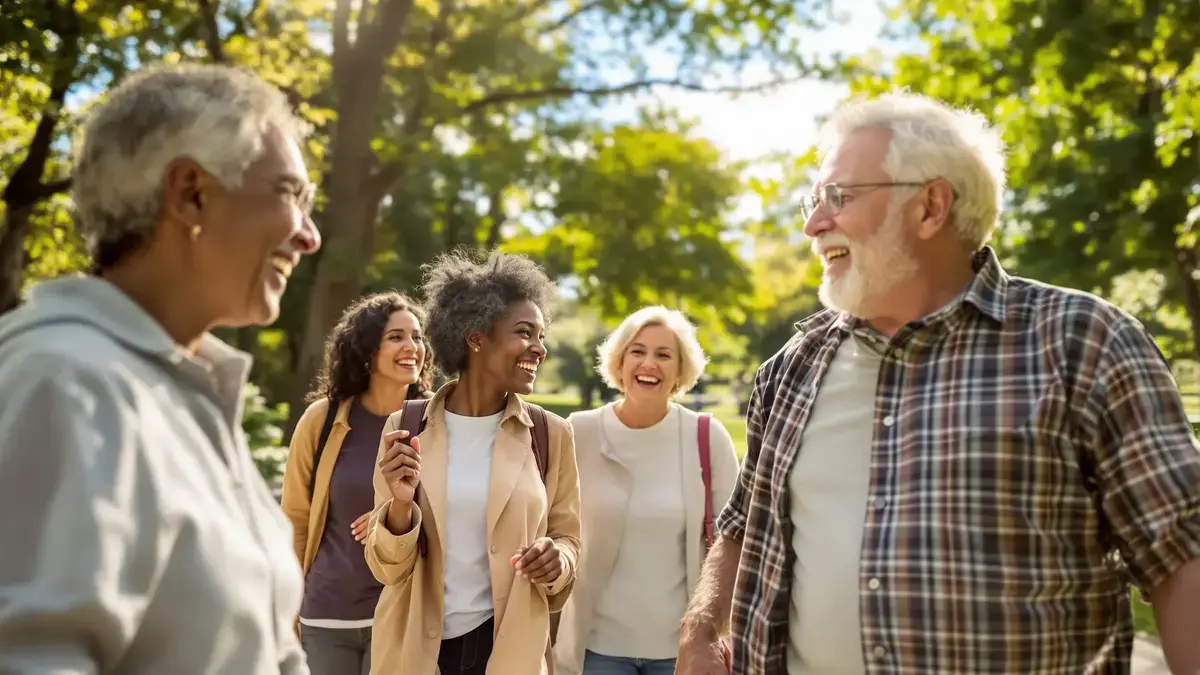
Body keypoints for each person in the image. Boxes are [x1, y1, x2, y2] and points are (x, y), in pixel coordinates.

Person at [676, 92, 1200, 674]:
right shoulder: (793, 366)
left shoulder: (1084, 344)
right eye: (814, 200)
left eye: (838, 198)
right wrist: (700, 630)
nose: (812, 224)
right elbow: (744, 523)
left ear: (930, 207)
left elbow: (1181, 556)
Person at [0, 64, 320, 673]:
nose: (309, 236)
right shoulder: (66, 382)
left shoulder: (188, 392)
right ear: (190, 192)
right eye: (289, 194)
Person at [364, 250, 582, 675]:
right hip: (416, 651)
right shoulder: (407, 424)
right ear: (476, 336)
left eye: (542, 335)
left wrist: (558, 558)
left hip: (508, 649)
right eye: (525, 333)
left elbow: (569, 538)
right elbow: (385, 567)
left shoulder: (549, 434)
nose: (540, 348)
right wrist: (401, 506)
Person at [555, 306, 739, 675]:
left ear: (680, 370)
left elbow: (734, 539)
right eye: (637, 351)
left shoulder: (707, 437)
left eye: (663, 355)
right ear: (619, 362)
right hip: (596, 649)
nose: (649, 364)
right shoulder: (577, 432)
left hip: (680, 652)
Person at [281, 291, 433, 674]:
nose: (411, 346)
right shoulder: (322, 420)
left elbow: (454, 510)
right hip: (326, 615)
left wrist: (391, 516)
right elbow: (295, 520)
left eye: (417, 336)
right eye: (396, 336)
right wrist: (284, 610)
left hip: (401, 613)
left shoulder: (436, 422)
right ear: (367, 349)